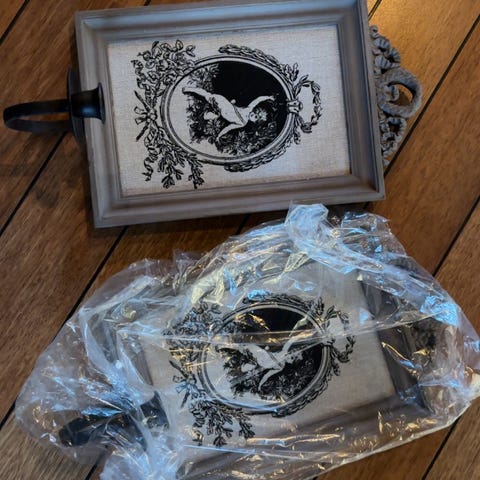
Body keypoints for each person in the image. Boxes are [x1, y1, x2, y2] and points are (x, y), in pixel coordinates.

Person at [182, 86, 274, 141]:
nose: (254, 115)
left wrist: (219, 135)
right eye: (256, 112)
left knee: (206, 117)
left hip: (218, 112)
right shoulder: (248, 109)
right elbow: (258, 100)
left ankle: (202, 109)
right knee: (207, 95)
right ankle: (189, 89)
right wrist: (268, 97)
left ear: (255, 122)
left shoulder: (243, 123)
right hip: (222, 103)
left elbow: (229, 128)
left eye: (256, 117)